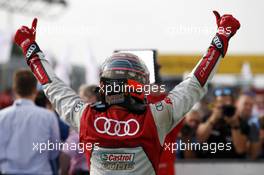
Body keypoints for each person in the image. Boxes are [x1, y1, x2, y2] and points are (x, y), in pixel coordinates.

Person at [14, 11, 240, 174]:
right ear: (138, 85)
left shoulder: (85, 116)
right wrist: (220, 38)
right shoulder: (157, 116)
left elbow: (52, 85)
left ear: (104, 83)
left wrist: (29, 48)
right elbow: (196, 83)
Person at [0, 69, 60, 174]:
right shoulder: (49, 116)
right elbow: (54, 152)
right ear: (35, 91)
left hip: (9, 171)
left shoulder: (2, 116)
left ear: (14, 90)